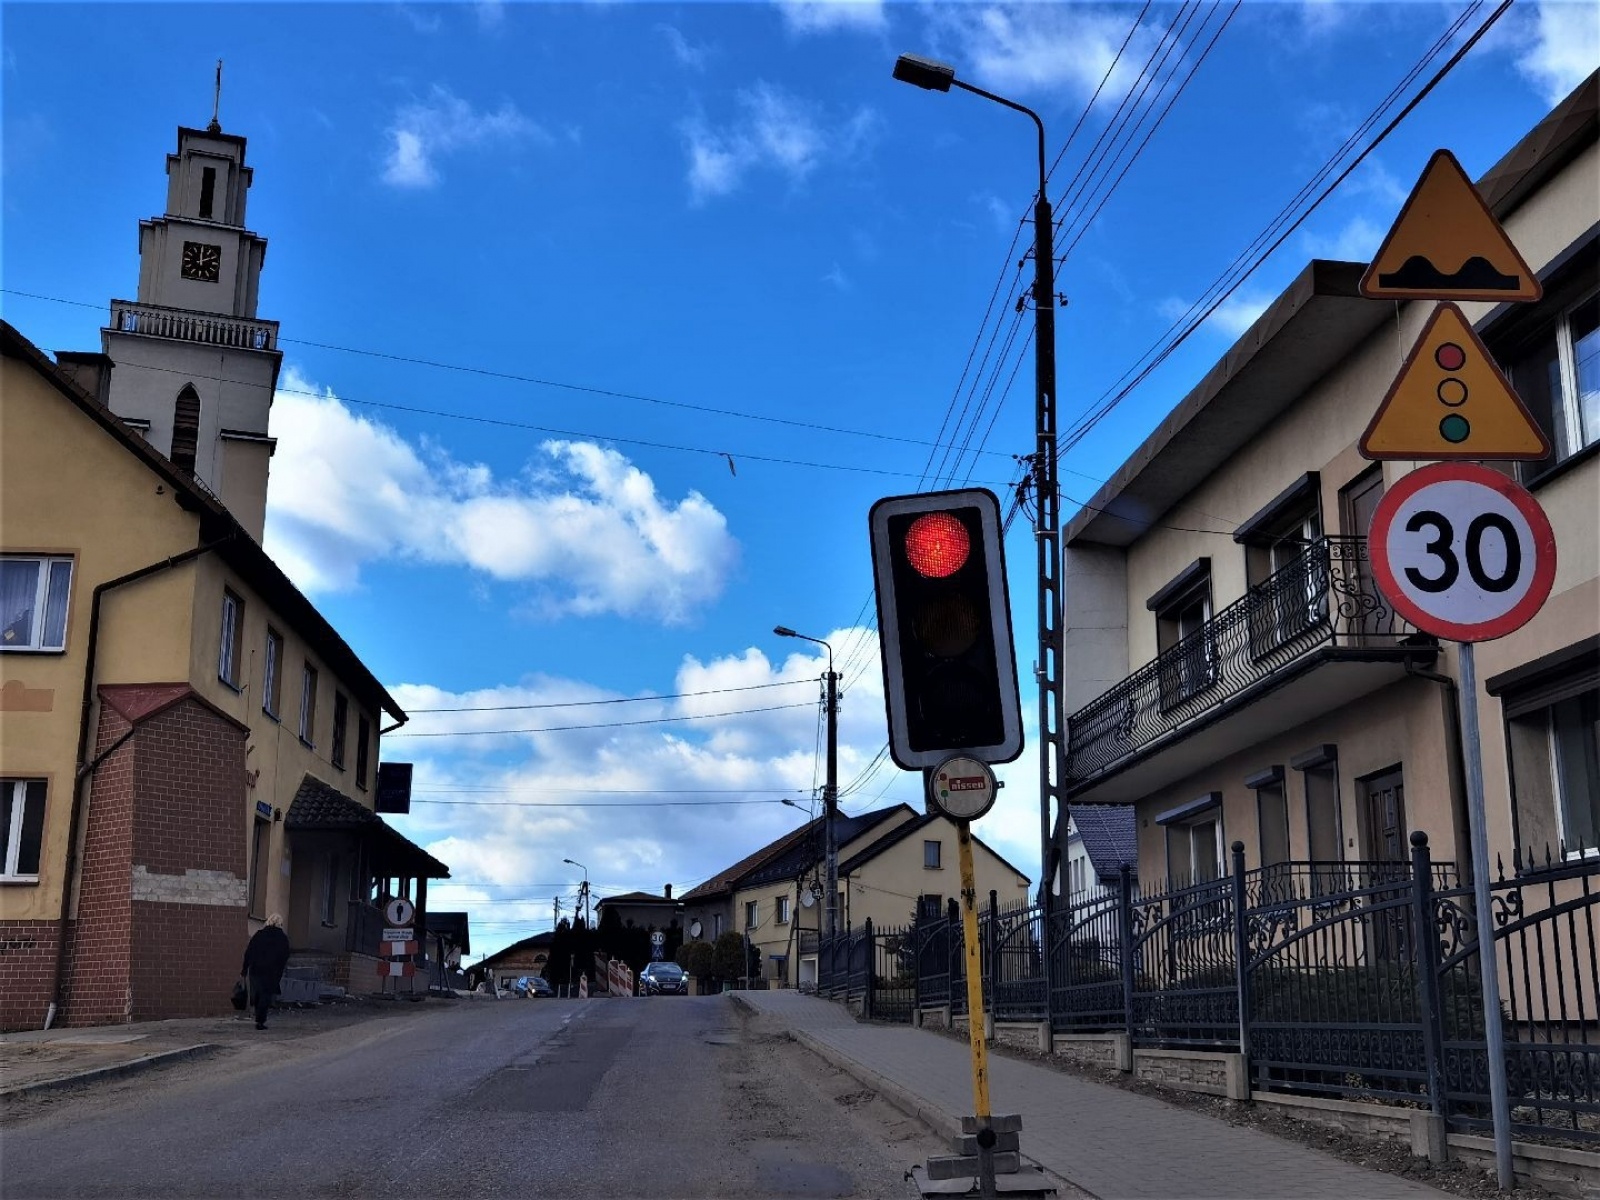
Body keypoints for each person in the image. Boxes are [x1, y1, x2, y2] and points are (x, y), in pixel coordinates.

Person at [241, 913, 291, 1030]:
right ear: (280, 924)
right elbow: (285, 955)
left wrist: (244, 969)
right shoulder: (282, 938)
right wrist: (280, 969)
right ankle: (260, 1020)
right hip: (272, 971)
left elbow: (249, 952)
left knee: (258, 992)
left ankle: (258, 1013)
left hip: (256, 969)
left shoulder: (259, 935)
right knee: (266, 995)